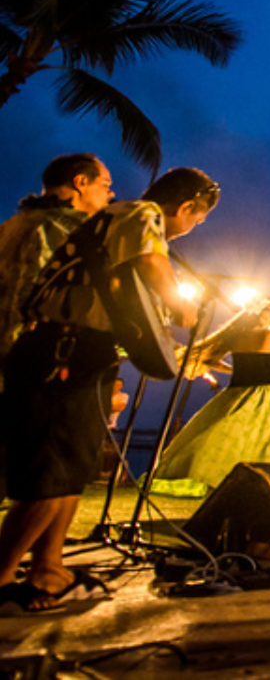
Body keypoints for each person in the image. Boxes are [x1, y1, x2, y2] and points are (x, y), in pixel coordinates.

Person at [0, 167, 214, 613]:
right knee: (50, 472)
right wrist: (179, 303)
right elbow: (153, 263)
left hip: (84, 351)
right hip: (63, 350)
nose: (193, 228)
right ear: (186, 206)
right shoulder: (140, 213)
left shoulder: (111, 226)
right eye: (198, 220)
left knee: (71, 469)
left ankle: (48, 570)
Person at [148, 297, 270, 498]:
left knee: (221, 437)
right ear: (264, 314)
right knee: (261, 440)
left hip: (234, 393)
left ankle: (211, 476)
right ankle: (258, 483)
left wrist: (232, 370)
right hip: (260, 395)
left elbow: (210, 359)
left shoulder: (236, 337)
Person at [0, 154, 115, 361]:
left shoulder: (13, 226)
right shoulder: (60, 233)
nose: (111, 193)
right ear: (81, 182)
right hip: (18, 361)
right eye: (105, 185)